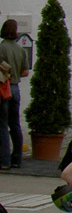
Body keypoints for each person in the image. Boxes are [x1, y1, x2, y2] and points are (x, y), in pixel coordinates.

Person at [0, 20, 28, 170]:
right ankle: (17, 158)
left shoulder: (1, 48)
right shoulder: (20, 50)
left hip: (4, 88)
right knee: (15, 124)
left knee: (2, 125)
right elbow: (25, 71)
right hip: (16, 88)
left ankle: (4, 160)